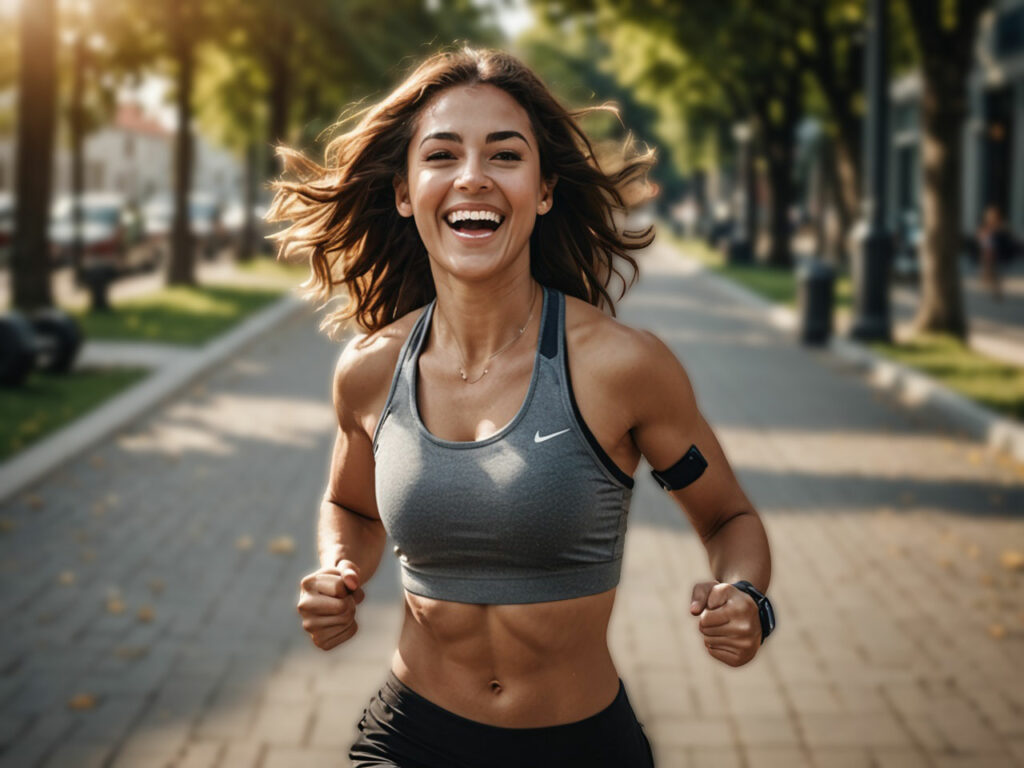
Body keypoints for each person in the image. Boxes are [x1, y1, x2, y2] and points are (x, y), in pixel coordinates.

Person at [269, 47, 774, 768]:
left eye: (504, 155)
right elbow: (350, 508)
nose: (472, 175)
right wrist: (337, 570)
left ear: (542, 190)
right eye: (441, 155)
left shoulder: (622, 366)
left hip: (581, 748)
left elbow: (730, 519)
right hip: (411, 738)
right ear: (407, 191)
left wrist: (746, 596)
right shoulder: (370, 371)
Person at [977, 205, 1011, 301]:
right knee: (989, 269)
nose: (990, 217)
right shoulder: (987, 227)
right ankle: (989, 280)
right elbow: (982, 237)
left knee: (996, 273)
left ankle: (996, 290)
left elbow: (1005, 237)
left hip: (996, 253)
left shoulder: (1000, 226)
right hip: (988, 252)